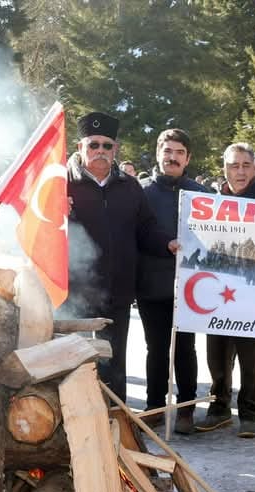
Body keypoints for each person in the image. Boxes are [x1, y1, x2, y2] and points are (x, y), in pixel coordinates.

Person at [64, 111, 174, 402]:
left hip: (118, 295)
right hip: (74, 297)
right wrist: (54, 213)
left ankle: (116, 430)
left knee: (114, 368)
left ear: (115, 149)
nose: (100, 151)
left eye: (107, 146)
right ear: (80, 147)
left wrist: (169, 244)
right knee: (75, 370)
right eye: (93, 144)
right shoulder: (60, 185)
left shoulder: (129, 186)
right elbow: (36, 227)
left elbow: (146, 227)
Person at [196, 143, 255, 438]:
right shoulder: (211, 202)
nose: (239, 171)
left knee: (250, 357)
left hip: (253, 292)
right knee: (216, 354)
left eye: (245, 165)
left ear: (254, 168)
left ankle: (250, 413)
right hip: (217, 291)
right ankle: (218, 409)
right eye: (233, 165)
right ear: (224, 168)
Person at [138, 128, 208, 433]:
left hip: (189, 287)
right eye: (168, 152)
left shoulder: (201, 194)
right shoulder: (140, 192)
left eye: (179, 153)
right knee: (155, 348)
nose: (173, 158)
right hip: (151, 283)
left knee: (185, 349)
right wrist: (164, 243)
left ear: (188, 158)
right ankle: (154, 406)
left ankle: (185, 409)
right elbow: (136, 233)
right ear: (158, 154)